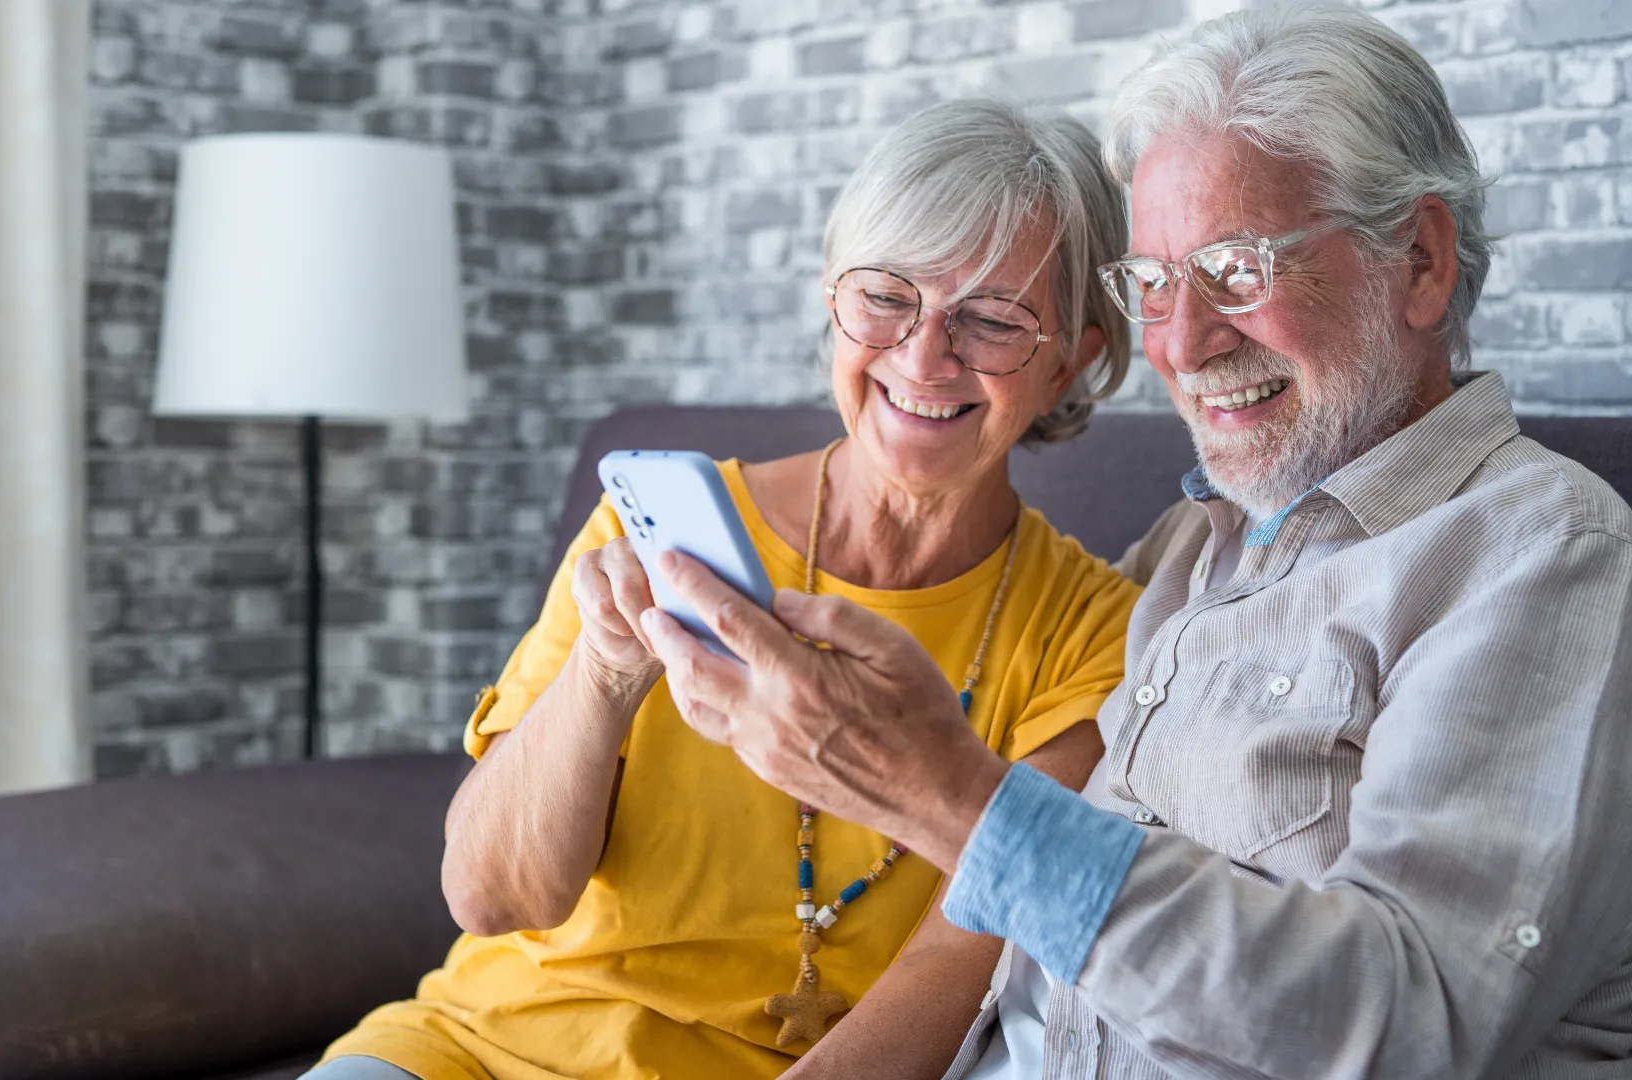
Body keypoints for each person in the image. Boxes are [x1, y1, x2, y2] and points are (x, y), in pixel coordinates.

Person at [638, 5, 1632, 1078]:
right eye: (1155, 284)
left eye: (1240, 271)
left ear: (1421, 263)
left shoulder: (1539, 561)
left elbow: (1404, 1025)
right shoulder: (1186, 552)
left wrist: (943, 794)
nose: (1184, 344)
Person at [305, 99, 1145, 1080]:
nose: (922, 356)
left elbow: (958, 966)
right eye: (885, 297)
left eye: (994, 319)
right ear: (833, 302)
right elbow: (491, 898)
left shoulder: (1095, 638)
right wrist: (606, 676)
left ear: (1072, 365)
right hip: (471, 1052)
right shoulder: (654, 527)